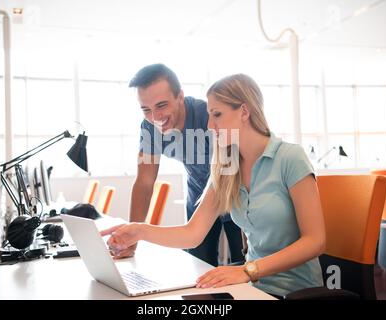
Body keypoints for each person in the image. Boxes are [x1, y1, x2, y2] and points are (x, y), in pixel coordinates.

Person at [101, 73, 326, 298]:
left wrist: (249, 270)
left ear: (244, 112)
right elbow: (192, 233)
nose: (209, 125)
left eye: (217, 114)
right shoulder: (226, 166)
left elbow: (316, 241)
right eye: (209, 115)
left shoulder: (290, 157)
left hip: (297, 291)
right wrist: (138, 231)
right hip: (252, 288)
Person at [118, 64, 245, 267]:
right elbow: (144, 182)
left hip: (234, 195)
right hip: (198, 200)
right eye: (146, 109)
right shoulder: (149, 128)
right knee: (199, 269)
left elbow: (232, 169)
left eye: (161, 105)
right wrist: (131, 238)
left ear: (180, 97)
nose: (156, 117)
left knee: (243, 266)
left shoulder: (209, 117)